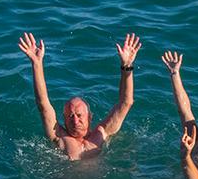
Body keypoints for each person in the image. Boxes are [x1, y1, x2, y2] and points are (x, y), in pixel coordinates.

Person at [17, 32, 141, 160]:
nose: (75, 121)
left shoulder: (102, 133)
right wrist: (36, 63)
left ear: (90, 117)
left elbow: (126, 102)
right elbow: (43, 104)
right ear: (64, 119)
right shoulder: (59, 137)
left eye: (79, 115)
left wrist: (126, 67)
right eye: (70, 116)